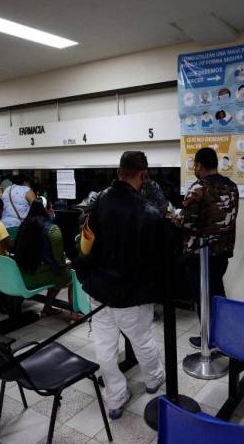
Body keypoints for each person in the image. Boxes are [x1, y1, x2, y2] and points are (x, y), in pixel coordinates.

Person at [76, 151, 171, 420]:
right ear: (143, 174)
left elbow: (86, 244)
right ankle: (153, 380)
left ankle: (115, 398)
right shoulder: (148, 212)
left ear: (119, 172)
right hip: (132, 294)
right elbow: (164, 253)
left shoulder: (97, 204)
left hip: (99, 291)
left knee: (104, 346)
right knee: (142, 340)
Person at [178, 147, 239, 349]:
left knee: (202, 296)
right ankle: (224, 334)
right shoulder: (232, 187)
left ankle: (208, 338)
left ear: (199, 166)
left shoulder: (198, 188)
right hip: (223, 251)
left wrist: (173, 216)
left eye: (195, 165)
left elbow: (186, 222)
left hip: (200, 254)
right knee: (217, 292)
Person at [14, 198, 76, 319]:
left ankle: (47, 309)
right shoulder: (52, 229)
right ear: (45, 210)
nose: (52, 210)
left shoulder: (24, 225)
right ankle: (74, 315)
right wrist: (67, 264)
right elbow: (59, 260)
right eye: (50, 207)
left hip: (23, 274)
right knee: (71, 277)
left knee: (58, 274)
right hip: (40, 275)